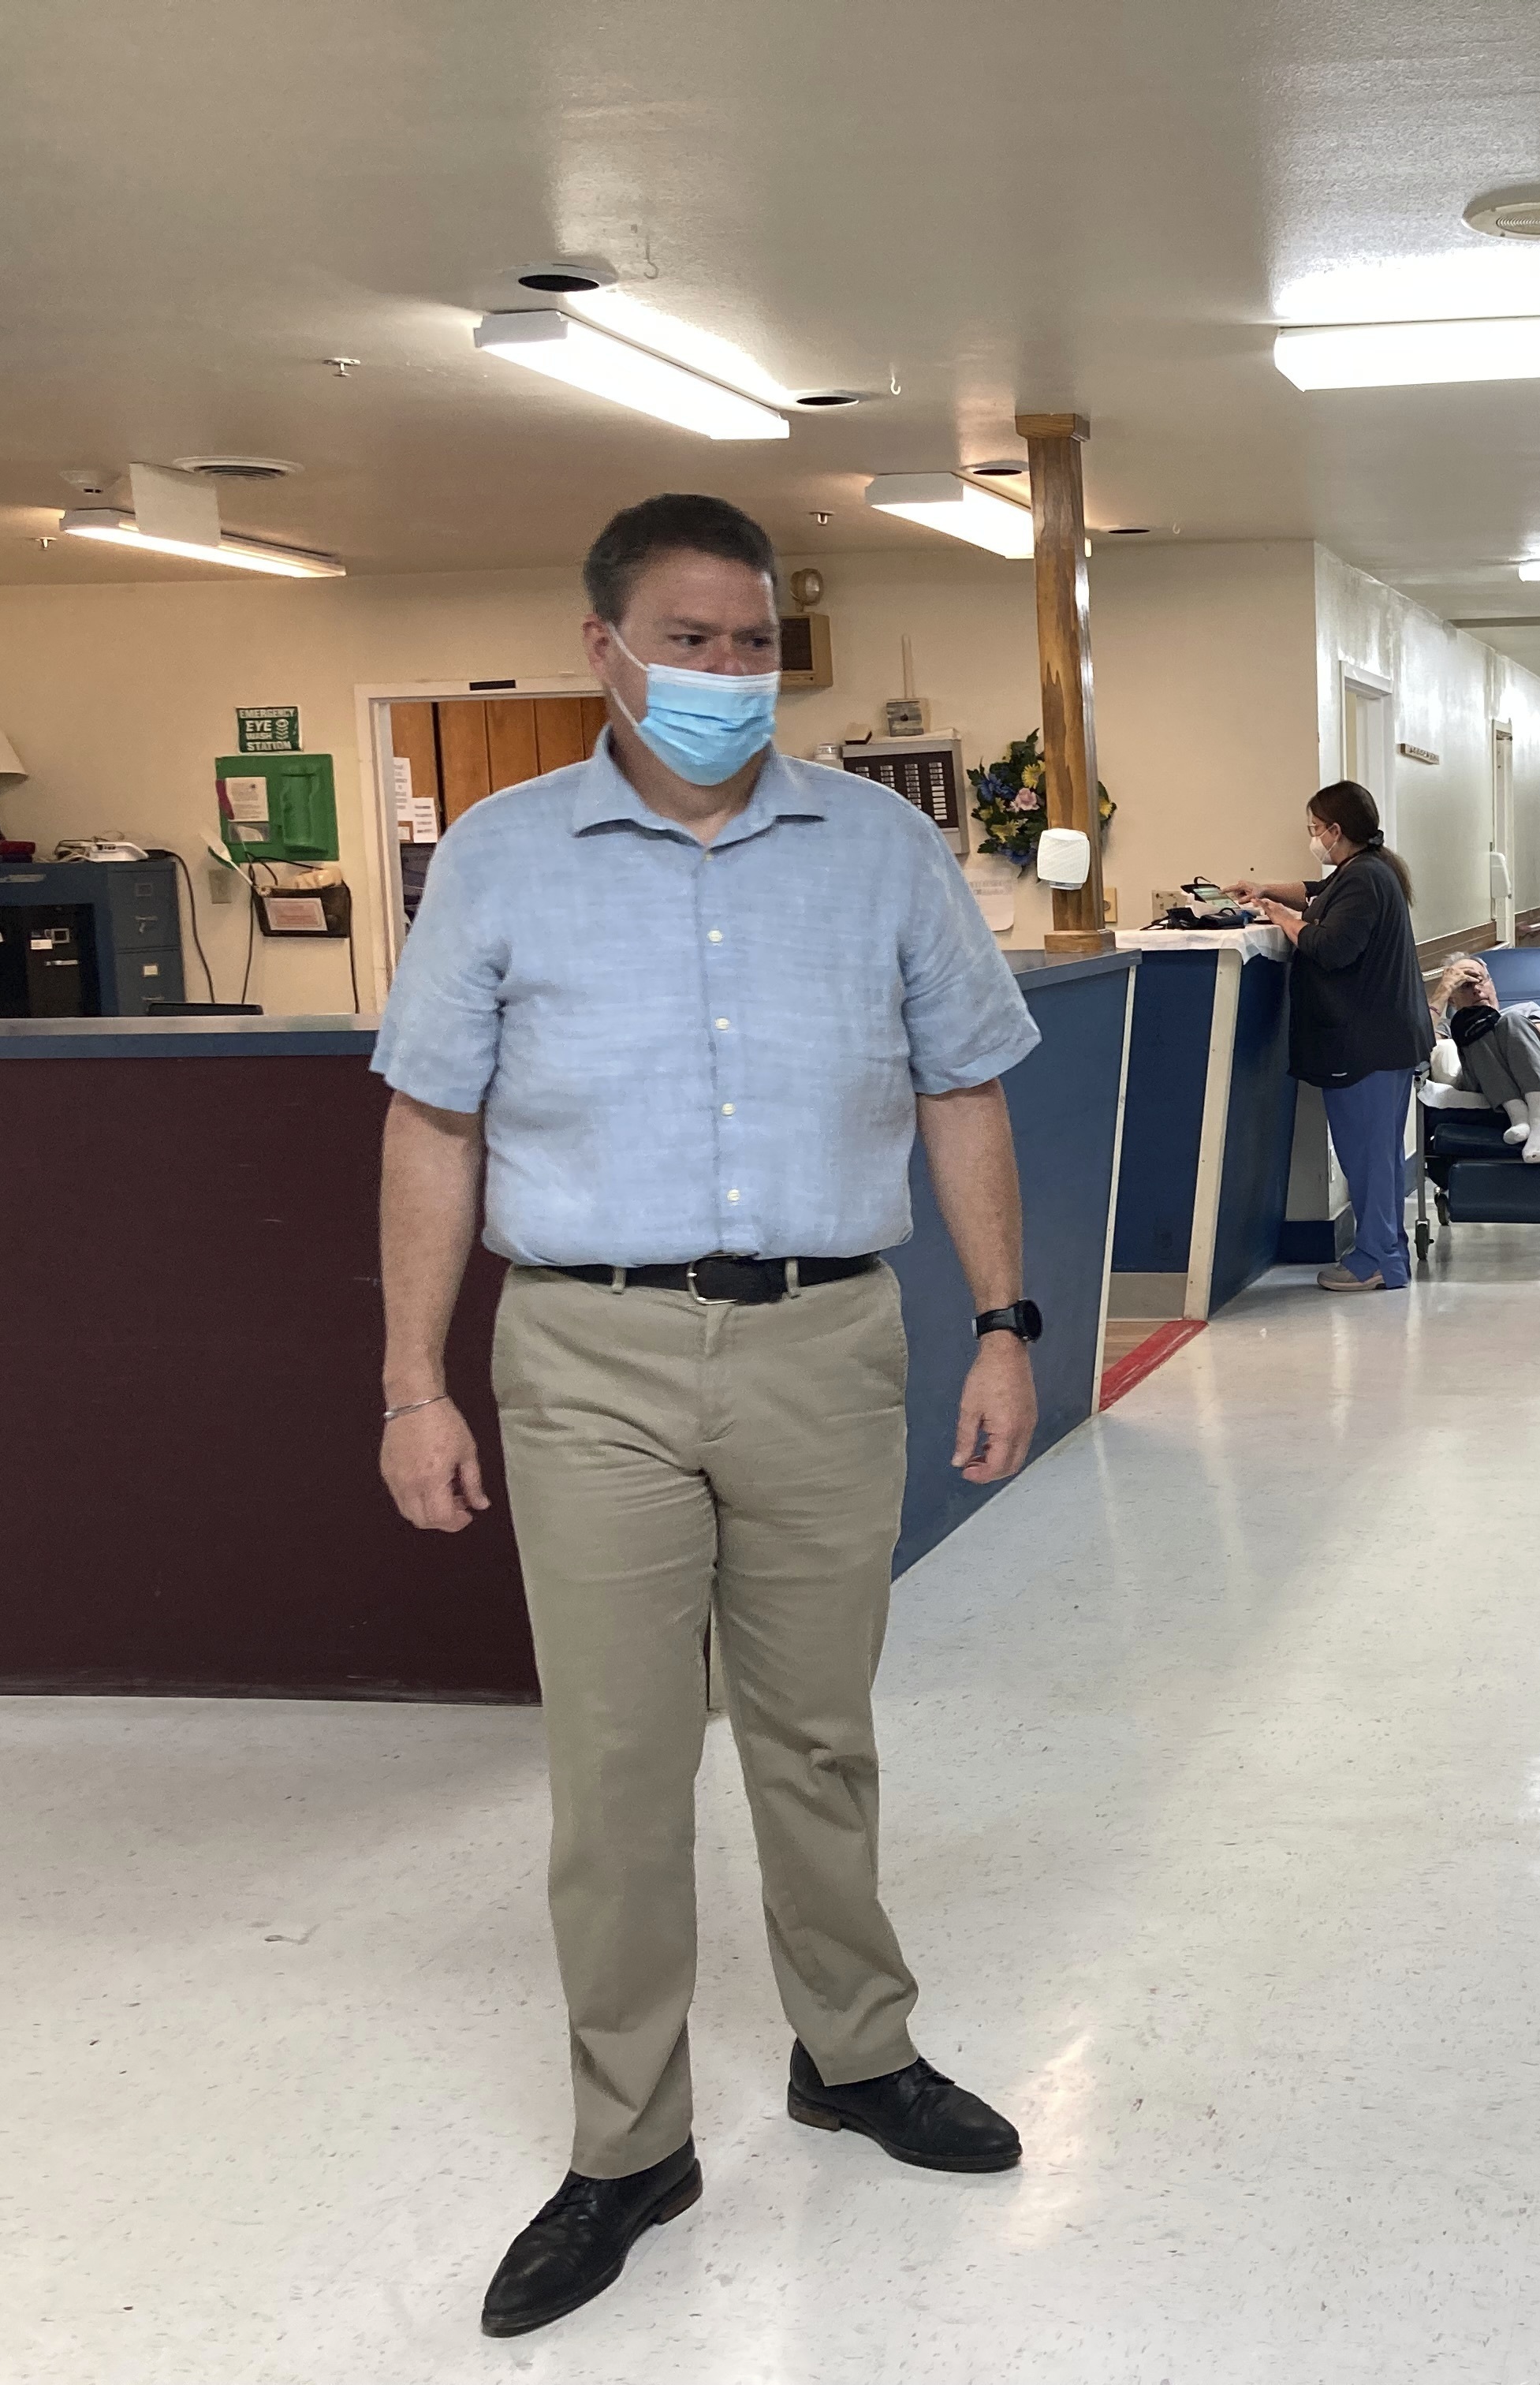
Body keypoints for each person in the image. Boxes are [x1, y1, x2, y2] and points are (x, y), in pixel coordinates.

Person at [372, 495, 1042, 2338]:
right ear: (605, 649)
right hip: (584, 1356)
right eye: (693, 640)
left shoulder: (882, 851)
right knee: (616, 1764)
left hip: (829, 1342)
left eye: (755, 645)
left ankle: (855, 2051)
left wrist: (1004, 1324)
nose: (728, 676)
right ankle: (626, 2147)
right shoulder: (503, 859)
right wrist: (413, 1381)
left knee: (818, 1733)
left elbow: (965, 1092)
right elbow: (429, 1124)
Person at [1229, 780, 1429, 1291]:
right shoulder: (1363, 871)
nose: (1313, 838)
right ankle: (1384, 1252)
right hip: (1377, 1042)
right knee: (1373, 1155)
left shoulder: (1364, 879)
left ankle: (1380, 1259)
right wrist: (1269, 891)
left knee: (1369, 1157)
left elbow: (1330, 946)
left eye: (1316, 830)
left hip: (1368, 1044)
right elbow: (1317, 894)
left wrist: (1275, 916)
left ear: (1337, 831)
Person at [1426, 951, 1540, 1162]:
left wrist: (1500, 1029)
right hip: (1483, 1084)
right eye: (1465, 985)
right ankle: (1518, 1115)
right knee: (1473, 1026)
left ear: (1491, 983)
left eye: (1480, 980)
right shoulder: (1451, 1027)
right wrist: (1443, 991)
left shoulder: (1523, 1011)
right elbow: (1420, 1043)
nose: (1476, 989)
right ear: (1453, 1000)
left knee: (1504, 1021)